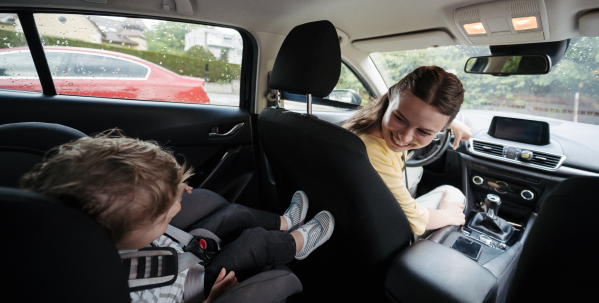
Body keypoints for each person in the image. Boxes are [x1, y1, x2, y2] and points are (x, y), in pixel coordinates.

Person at [20, 132, 334, 303]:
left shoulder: (108, 236)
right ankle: (298, 243)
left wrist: (165, 214)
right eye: (168, 208)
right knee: (255, 242)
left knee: (236, 212)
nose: (184, 194)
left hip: (181, 252)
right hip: (195, 286)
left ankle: (285, 222)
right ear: (136, 231)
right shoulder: (120, 292)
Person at [344, 66, 471, 236]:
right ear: (390, 100)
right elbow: (413, 219)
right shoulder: (371, 151)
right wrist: (446, 216)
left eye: (424, 131)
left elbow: (417, 113)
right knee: (454, 193)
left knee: (416, 168)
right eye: (399, 118)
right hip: (385, 230)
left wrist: (455, 124)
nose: (404, 138)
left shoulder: (371, 118)